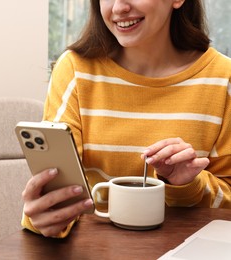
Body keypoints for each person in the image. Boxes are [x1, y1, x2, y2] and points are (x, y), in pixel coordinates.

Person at [21, 0, 231, 238]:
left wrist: (187, 185)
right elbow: (54, 194)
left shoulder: (224, 79)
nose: (118, 7)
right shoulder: (75, 70)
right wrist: (44, 217)